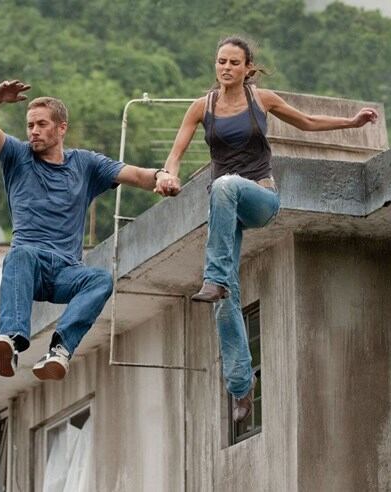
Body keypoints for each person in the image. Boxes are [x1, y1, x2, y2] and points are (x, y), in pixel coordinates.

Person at [156, 37, 378, 422]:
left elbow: (307, 122)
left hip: (259, 198)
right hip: (226, 210)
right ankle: (242, 387)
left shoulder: (262, 100)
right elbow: (174, 156)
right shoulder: (201, 108)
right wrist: (167, 177)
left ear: (247, 68)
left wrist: (352, 123)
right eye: (220, 61)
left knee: (224, 185)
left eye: (233, 62)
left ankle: (215, 277)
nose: (225, 67)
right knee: (225, 304)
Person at [0, 80, 176, 381]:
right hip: (29, 266)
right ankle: (10, 340)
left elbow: (136, 175)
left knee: (100, 279)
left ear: (61, 128)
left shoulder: (85, 164)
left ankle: (60, 350)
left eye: (41, 124)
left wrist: (161, 176)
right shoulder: (16, 156)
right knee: (19, 254)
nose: (33, 131)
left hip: (65, 272)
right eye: (29, 125)